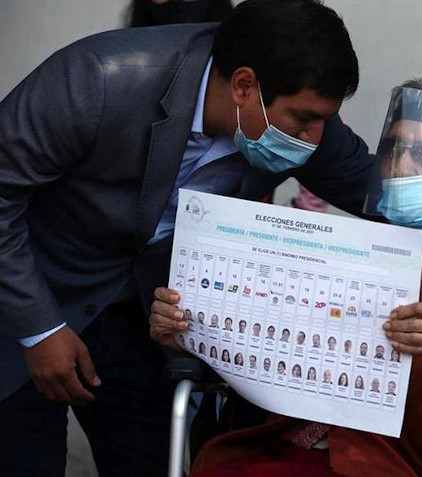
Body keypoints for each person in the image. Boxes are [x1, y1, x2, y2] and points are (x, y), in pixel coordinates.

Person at [0, 1, 372, 475]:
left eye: (324, 119)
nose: (314, 137)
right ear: (243, 85)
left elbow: (373, 191)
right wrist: (40, 328)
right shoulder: (100, 78)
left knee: (159, 460)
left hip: (141, 319)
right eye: (303, 119)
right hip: (27, 298)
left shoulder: (299, 113)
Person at [175, 77, 422, 477]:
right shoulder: (347, 245)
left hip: (398, 459)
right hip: (282, 443)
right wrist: (190, 324)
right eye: (395, 149)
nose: (403, 164)